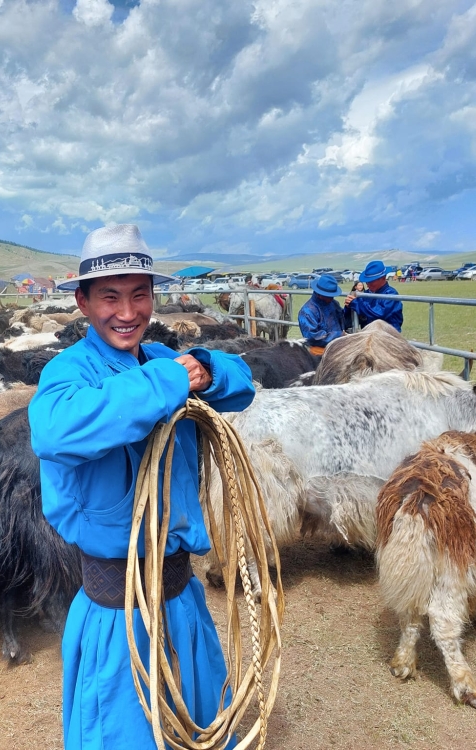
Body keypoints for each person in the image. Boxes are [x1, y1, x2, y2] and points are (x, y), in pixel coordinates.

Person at [29, 224, 255, 749]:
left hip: (181, 598)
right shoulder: (69, 373)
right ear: (83, 302)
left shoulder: (159, 360)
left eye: (139, 296)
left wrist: (208, 370)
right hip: (118, 612)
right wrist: (172, 381)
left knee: (196, 726)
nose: (127, 313)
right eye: (110, 297)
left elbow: (242, 384)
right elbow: (55, 430)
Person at [344, 260, 403, 332]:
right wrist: (348, 306)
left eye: (371, 281)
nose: (368, 284)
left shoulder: (391, 294)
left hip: (387, 335)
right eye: (367, 281)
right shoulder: (365, 294)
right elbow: (349, 318)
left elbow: (379, 314)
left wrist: (356, 303)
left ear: (383, 278)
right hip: (369, 335)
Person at [298, 275, 347, 353]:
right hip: (319, 352)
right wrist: (339, 335)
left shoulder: (334, 303)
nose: (332, 297)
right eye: (329, 295)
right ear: (320, 294)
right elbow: (313, 337)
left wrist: (349, 308)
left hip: (338, 346)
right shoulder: (307, 311)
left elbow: (343, 319)